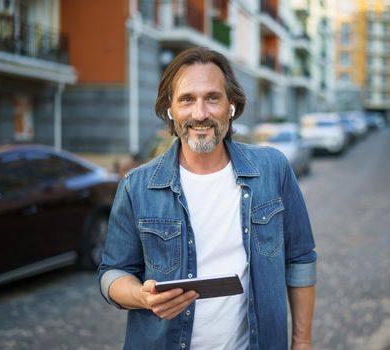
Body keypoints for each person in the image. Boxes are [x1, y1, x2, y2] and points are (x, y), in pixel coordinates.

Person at [98, 47, 317, 350]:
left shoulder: (273, 170)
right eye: (187, 99)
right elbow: (112, 272)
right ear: (170, 110)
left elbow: (301, 258)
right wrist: (141, 296)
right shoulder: (137, 186)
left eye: (212, 98)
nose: (200, 114)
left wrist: (302, 342)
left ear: (231, 106)